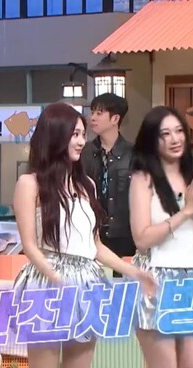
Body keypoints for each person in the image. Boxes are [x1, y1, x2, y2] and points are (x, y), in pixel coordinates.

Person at [11, 102, 156, 368]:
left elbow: (95, 246)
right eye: (74, 134)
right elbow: (29, 246)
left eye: (82, 134)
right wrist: (55, 279)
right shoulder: (29, 183)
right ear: (55, 136)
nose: (81, 141)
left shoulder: (86, 184)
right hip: (46, 283)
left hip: (86, 283)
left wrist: (135, 272)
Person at [128, 106, 193, 368]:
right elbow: (141, 238)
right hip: (153, 280)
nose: (174, 139)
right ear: (152, 140)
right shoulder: (143, 180)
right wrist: (186, 212)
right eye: (165, 134)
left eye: (179, 131)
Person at [81, 93, 136, 275]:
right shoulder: (84, 152)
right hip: (90, 235)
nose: (92, 118)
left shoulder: (134, 154)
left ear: (115, 119)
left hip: (125, 237)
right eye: (92, 112)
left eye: (99, 113)